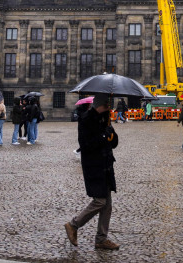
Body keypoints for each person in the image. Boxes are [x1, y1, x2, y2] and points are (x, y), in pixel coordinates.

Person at [65, 93, 120, 250]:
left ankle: (101, 239)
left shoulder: (105, 117)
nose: (109, 108)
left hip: (106, 164)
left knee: (107, 204)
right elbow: (86, 144)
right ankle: (73, 225)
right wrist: (104, 136)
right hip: (94, 165)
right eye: (107, 105)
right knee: (100, 201)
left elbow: (114, 141)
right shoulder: (86, 119)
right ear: (100, 105)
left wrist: (111, 135)